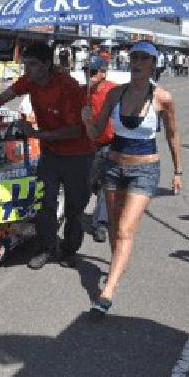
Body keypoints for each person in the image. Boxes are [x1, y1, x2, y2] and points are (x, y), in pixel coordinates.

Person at [0, 42, 93, 270]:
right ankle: (46, 247)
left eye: (32, 65)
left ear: (46, 64)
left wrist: (36, 133)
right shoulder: (29, 81)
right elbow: (1, 98)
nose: (27, 70)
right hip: (51, 155)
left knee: (75, 209)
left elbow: (75, 130)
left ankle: (69, 250)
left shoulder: (69, 86)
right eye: (25, 65)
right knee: (44, 204)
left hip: (78, 156)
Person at [81, 41, 182, 319]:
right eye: (133, 57)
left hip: (145, 171)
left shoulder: (163, 98)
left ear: (153, 64)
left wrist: (177, 171)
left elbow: (173, 135)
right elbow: (96, 133)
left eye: (143, 58)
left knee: (125, 229)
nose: (136, 62)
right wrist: (87, 120)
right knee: (115, 228)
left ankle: (107, 292)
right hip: (113, 166)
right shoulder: (115, 93)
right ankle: (118, 264)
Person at [82, 55, 118, 244]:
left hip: (110, 145)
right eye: (86, 71)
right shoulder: (83, 93)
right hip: (90, 146)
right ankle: (77, 213)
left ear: (103, 73)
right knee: (87, 182)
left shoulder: (113, 90)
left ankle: (100, 224)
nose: (89, 75)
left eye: (93, 71)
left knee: (106, 184)